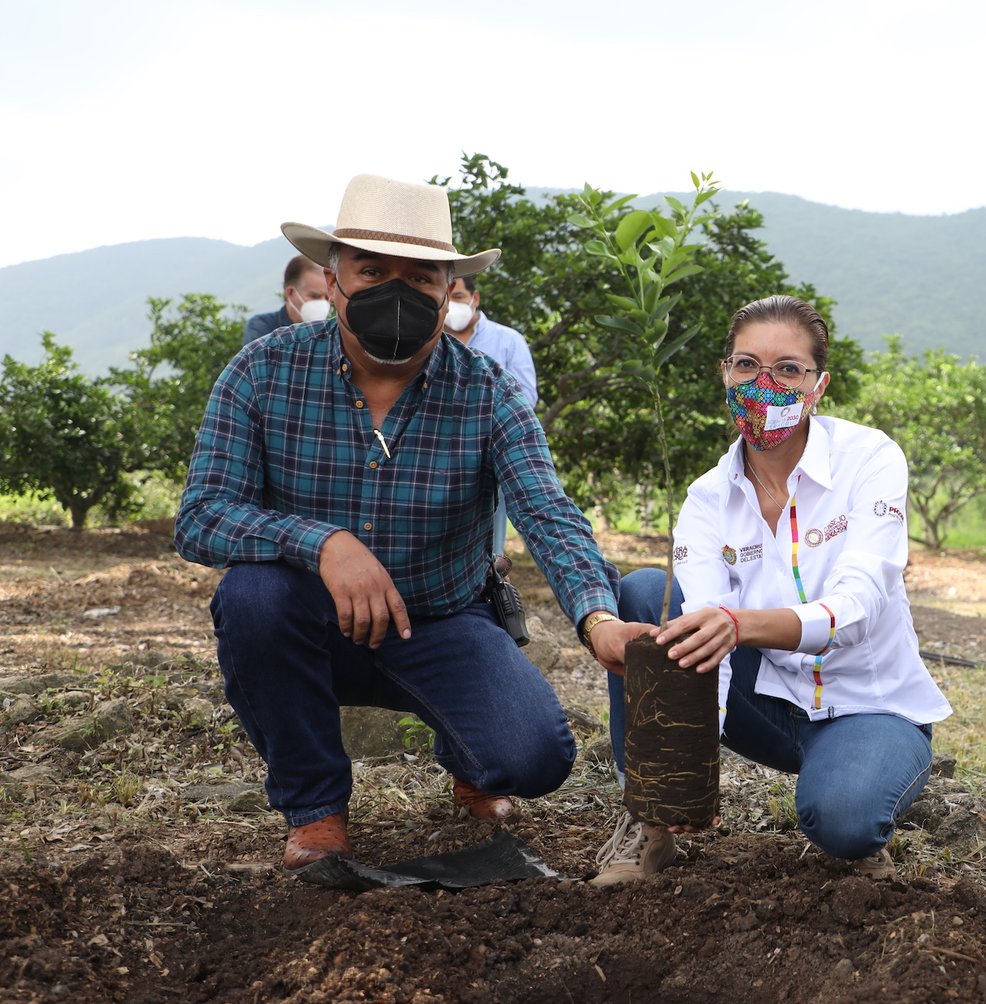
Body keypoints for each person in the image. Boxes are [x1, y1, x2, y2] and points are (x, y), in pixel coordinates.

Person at [175, 173, 650, 871]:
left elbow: (547, 509)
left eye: (422, 277)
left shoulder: (488, 391)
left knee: (536, 757)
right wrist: (325, 543)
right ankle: (316, 812)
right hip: (310, 620)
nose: (396, 293)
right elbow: (202, 514)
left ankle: (468, 755)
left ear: (448, 291)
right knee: (252, 596)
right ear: (333, 282)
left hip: (440, 620)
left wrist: (597, 618)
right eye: (372, 271)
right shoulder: (262, 372)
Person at [590, 295, 950, 886]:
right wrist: (686, 768)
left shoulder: (870, 459)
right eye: (746, 365)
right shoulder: (708, 497)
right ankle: (649, 821)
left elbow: (858, 608)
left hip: (867, 704)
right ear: (724, 373)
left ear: (819, 385)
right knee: (647, 594)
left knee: (844, 821)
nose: (764, 383)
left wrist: (742, 625)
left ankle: (859, 779)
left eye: (787, 368)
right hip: (769, 703)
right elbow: (703, 635)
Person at [443, 274, 539, 554]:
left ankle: (489, 584)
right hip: (436, 454)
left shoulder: (508, 340)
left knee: (489, 536)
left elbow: (526, 399)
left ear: (475, 298)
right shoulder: (430, 340)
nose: (452, 305)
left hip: (487, 455)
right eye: (447, 297)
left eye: (458, 297)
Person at [242, 255, 330, 344]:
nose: (323, 303)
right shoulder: (261, 327)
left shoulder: (331, 333)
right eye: (314, 296)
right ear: (290, 293)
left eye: (327, 298)